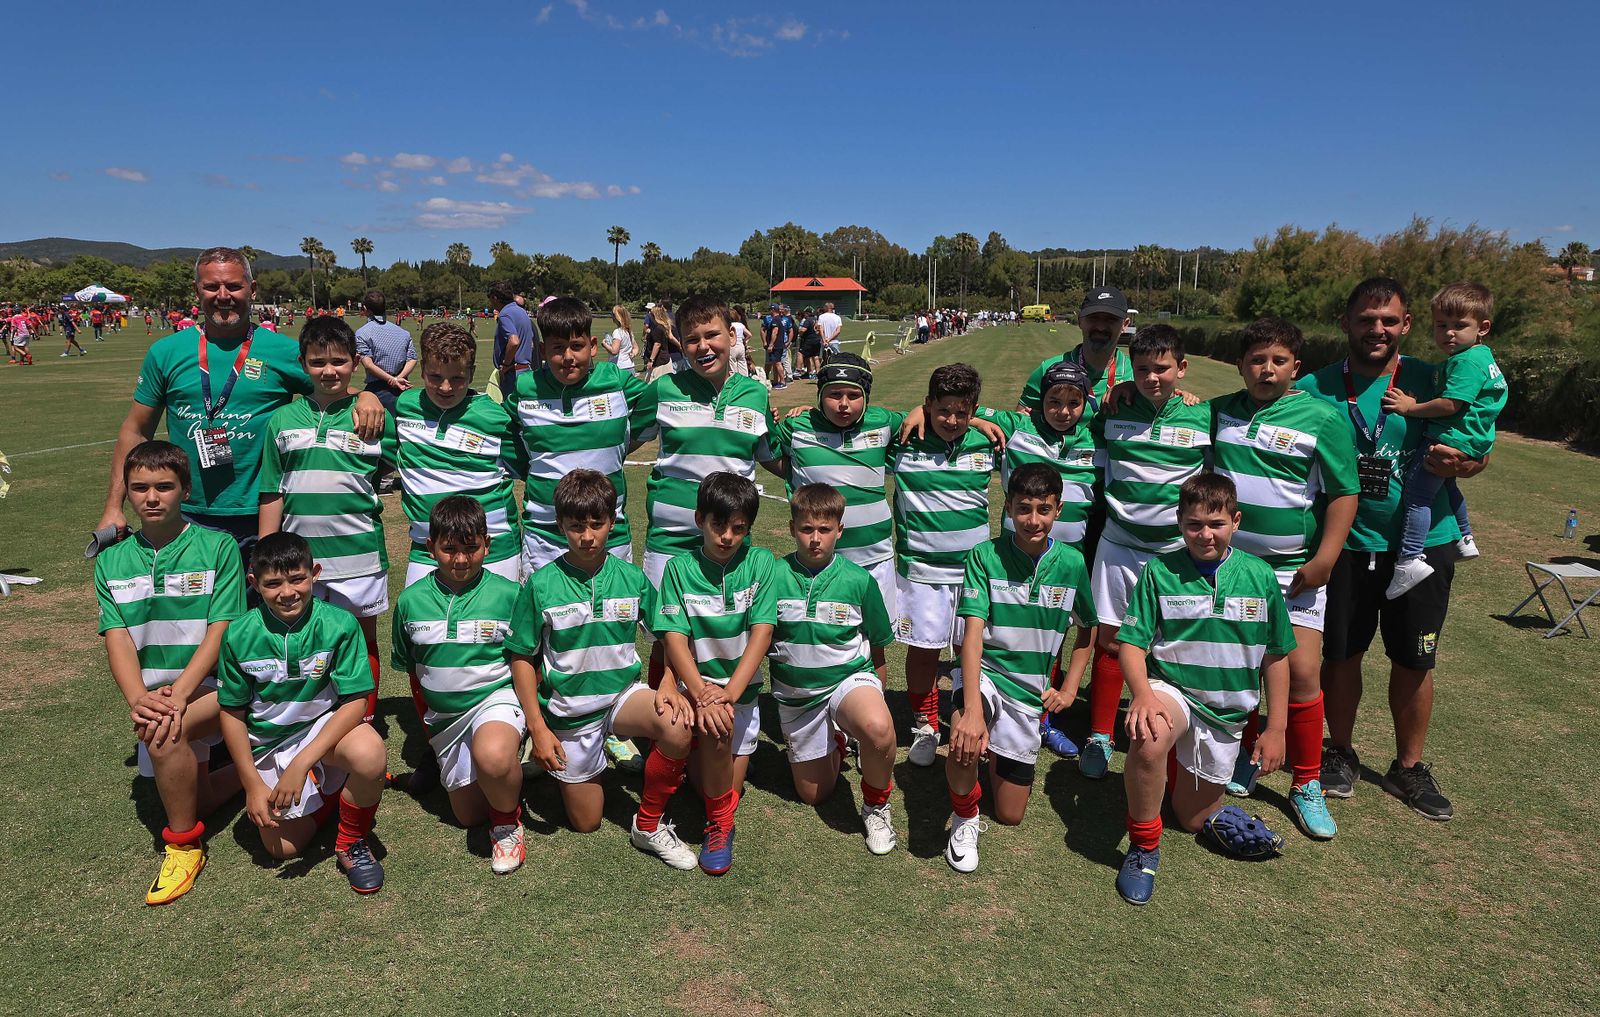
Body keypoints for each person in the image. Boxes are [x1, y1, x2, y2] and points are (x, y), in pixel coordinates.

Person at [1296, 278, 1487, 821]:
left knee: (1414, 658)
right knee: (1342, 654)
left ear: (1405, 325)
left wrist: (1468, 464)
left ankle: (1408, 768)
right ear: (1346, 323)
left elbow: (1479, 443)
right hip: (1347, 545)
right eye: (1366, 319)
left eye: (1389, 321)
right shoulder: (1315, 386)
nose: (1377, 330)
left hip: (1424, 545)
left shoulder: (1438, 377)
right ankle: (1340, 751)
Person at [96, 247, 384, 555]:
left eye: (233, 286)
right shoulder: (166, 352)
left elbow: (332, 392)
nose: (223, 295)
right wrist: (114, 505)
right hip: (184, 513)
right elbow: (136, 431)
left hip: (264, 515)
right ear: (197, 290)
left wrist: (367, 395)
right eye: (211, 286)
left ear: (252, 289)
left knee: (264, 601)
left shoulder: (282, 352)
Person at [1205, 318, 1358, 841]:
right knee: (1246, 661)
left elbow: (1343, 493)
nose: (1266, 369)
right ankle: (1254, 755)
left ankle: (1307, 782)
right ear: (1240, 365)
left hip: (1294, 569)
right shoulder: (1220, 409)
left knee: (1302, 671)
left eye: (1278, 361)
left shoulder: (1323, 417)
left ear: (1297, 367)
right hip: (1231, 566)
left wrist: (1327, 559)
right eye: (1255, 360)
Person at [1114, 474, 1294, 905]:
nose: (1205, 534)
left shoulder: (1261, 576)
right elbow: (1132, 645)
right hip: (1172, 690)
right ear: (1179, 522)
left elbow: (1276, 655)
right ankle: (1143, 848)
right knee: (1150, 735)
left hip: (1227, 714)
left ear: (1236, 521)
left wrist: (1277, 729)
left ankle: (1216, 811)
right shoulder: (1159, 571)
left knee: (1193, 819)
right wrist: (1142, 694)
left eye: (1215, 523)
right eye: (1194, 524)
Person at [506, 470, 699, 869]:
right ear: (561, 525)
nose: (587, 536)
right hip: (570, 711)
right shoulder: (541, 585)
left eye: (597, 524)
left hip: (622, 698)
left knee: (678, 725)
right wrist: (538, 727)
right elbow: (522, 658)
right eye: (576, 526)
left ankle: (648, 824)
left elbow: (669, 634)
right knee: (586, 822)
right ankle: (556, 753)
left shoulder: (632, 579)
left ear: (613, 521)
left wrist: (667, 680)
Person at [96, 441, 247, 905]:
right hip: (158, 694)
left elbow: (221, 631)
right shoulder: (110, 560)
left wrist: (178, 694)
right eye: (140, 488)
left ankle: (182, 846)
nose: (152, 498)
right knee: (192, 794)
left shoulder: (218, 546)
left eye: (165, 486)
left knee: (163, 734)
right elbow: (117, 637)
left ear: (185, 489)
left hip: (219, 688)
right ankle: (258, 768)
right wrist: (138, 698)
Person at [944, 463, 1097, 873]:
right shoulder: (984, 555)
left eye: (1043, 510)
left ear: (1058, 510)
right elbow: (972, 634)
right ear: (1008, 507)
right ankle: (964, 817)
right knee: (963, 740)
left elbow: (1088, 632)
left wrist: (1069, 689)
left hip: (1030, 693)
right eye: (1023, 509)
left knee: (1011, 814)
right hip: (986, 674)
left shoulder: (1073, 564)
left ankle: (993, 745)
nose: (1033, 520)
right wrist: (973, 709)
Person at [216, 532, 389, 893]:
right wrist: (251, 783)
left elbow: (356, 701)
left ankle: (351, 840)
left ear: (315, 573)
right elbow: (231, 712)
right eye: (273, 583)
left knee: (370, 753)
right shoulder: (237, 635)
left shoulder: (339, 624)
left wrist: (301, 764)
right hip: (269, 742)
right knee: (283, 848)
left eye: (297, 578)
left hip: (322, 733)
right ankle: (331, 796)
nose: (288, 592)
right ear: (254, 584)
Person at [1080, 325, 1212, 780]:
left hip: (1177, 553)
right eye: (1142, 370)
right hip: (1119, 545)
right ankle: (1099, 733)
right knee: (1111, 641)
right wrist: (1118, 389)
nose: (1152, 378)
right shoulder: (1115, 407)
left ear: (1182, 368)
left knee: (1172, 645)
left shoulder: (1203, 415)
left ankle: (1171, 731)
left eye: (1162, 369)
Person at [257, 317, 393, 723]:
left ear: (354, 362)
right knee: (305, 642)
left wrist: (368, 395)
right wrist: (267, 552)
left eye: (338, 361)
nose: (329, 371)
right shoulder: (281, 421)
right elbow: (272, 490)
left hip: (360, 557)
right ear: (303, 363)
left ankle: (363, 723)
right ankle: (312, 722)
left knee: (361, 643)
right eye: (318, 362)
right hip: (300, 563)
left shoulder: (372, 415)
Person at [391, 497, 528, 874]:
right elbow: (413, 674)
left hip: (495, 700)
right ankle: (501, 774)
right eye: (449, 549)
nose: (461, 559)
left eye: (471, 548)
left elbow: (525, 662)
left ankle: (507, 824)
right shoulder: (409, 602)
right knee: (467, 816)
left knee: (494, 758)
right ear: (430, 546)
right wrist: (429, 729)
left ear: (487, 544)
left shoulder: (509, 594)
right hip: (445, 722)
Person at [652, 472, 778, 875]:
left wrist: (730, 692)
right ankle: (720, 826)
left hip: (739, 693)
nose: (727, 536)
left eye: (739, 528)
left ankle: (714, 783)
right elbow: (673, 638)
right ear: (698, 520)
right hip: (697, 691)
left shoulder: (760, 563)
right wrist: (702, 691)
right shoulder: (678, 568)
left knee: (720, 785)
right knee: (715, 751)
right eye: (718, 525)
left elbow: (762, 633)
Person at [768, 484, 899, 854]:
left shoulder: (859, 581)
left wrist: (878, 703)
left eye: (824, 530)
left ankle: (876, 805)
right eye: (807, 529)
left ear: (839, 530)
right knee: (813, 795)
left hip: (847, 680)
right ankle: (838, 740)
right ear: (792, 527)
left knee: (876, 727)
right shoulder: (772, 575)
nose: (815, 539)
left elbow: (877, 646)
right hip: (797, 698)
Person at [888, 363, 998, 768]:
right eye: (942, 411)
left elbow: (1032, 423)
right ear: (928, 404)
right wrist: (912, 414)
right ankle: (926, 722)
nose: (951, 421)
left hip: (973, 574)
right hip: (921, 571)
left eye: (962, 413)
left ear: (974, 410)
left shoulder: (987, 442)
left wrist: (983, 420)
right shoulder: (901, 440)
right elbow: (867, 420)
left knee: (970, 648)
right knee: (924, 650)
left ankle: (969, 716)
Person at [509, 296, 650, 575]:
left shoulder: (616, 382)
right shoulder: (525, 389)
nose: (569, 357)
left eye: (577, 346)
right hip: (545, 539)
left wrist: (618, 449)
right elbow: (506, 437)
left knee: (612, 617)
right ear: (542, 350)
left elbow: (656, 411)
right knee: (546, 618)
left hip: (611, 536)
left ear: (593, 346)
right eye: (558, 348)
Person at [1382, 282, 1506, 599]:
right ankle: (1465, 537)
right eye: (1442, 325)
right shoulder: (1480, 356)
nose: (1449, 333)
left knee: (1418, 494)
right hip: (1472, 439)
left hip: (1449, 437)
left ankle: (1410, 558)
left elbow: (1452, 404)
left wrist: (1411, 407)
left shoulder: (1466, 362)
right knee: (1448, 486)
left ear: (1483, 328)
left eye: (1459, 325)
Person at [386, 321, 524, 588]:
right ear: (422, 369)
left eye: (457, 378)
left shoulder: (494, 417)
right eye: (435, 377)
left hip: (493, 549)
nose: (446, 388)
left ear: (471, 374)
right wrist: (366, 397)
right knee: (422, 625)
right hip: (428, 548)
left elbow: (526, 466)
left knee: (497, 628)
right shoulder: (405, 407)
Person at [1019, 285, 1134, 412]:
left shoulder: (1138, 374)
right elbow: (1019, 425)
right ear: (1080, 321)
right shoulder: (1048, 370)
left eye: (1110, 320)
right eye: (1093, 318)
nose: (1101, 327)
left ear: (1125, 325)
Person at [354, 288, 418, 414]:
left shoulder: (362, 333)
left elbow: (368, 364)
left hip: (377, 392)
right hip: (402, 389)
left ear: (366, 309)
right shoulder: (404, 333)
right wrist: (397, 378)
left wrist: (392, 380)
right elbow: (412, 359)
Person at [491, 280, 538, 393]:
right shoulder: (521, 312)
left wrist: (505, 365)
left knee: (510, 407)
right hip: (526, 370)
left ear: (495, 297)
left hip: (513, 372)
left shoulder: (505, 314)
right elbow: (531, 343)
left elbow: (514, 341)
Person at [602, 304, 637, 373]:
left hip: (620, 368)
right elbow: (636, 348)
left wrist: (604, 344)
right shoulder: (628, 331)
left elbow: (614, 351)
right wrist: (633, 354)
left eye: (613, 314)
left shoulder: (617, 332)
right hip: (630, 366)